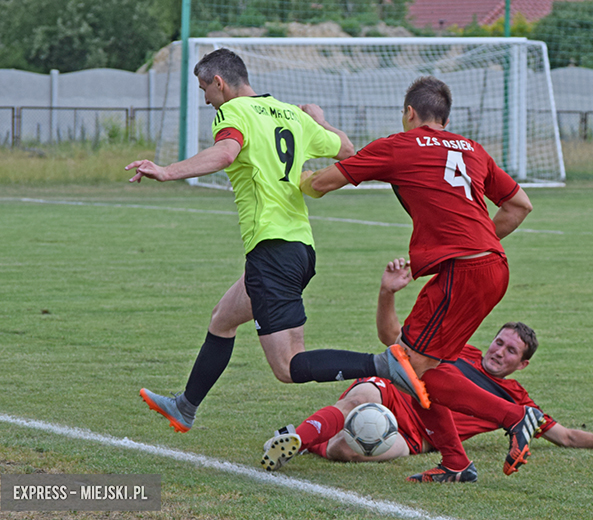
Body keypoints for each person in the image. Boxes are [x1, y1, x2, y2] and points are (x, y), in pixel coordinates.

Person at [124, 48, 425, 438]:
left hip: (273, 251)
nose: (205, 99)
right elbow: (348, 151)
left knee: (288, 366)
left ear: (220, 83)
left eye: (205, 89)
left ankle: (384, 365)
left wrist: (167, 171)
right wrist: (321, 121)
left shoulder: (232, 113)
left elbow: (226, 151)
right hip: (298, 248)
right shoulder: (291, 113)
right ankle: (185, 407)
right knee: (223, 318)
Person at [293, 76, 542, 483]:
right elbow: (519, 206)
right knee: (423, 368)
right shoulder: (472, 149)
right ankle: (457, 463)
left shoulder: (399, 144)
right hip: (492, 267)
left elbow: (322, 183)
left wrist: (293, 180)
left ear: (409, 112)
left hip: (465, 270)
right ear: (445, 116)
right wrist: (477, 243)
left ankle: (514, 416)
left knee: (410, 367)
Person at [266, 259, 593, 467]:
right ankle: (300, 437)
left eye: (509, 352)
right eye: (499, 341)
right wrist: (387, 293)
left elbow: (568, 436)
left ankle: (310, 442)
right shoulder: (454, 349)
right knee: (363, 393)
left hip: (415, 440)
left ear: (521, 365)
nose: (498, 351)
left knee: (346, 451)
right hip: (394, 397)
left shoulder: (517, 402)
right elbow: (391, 338)